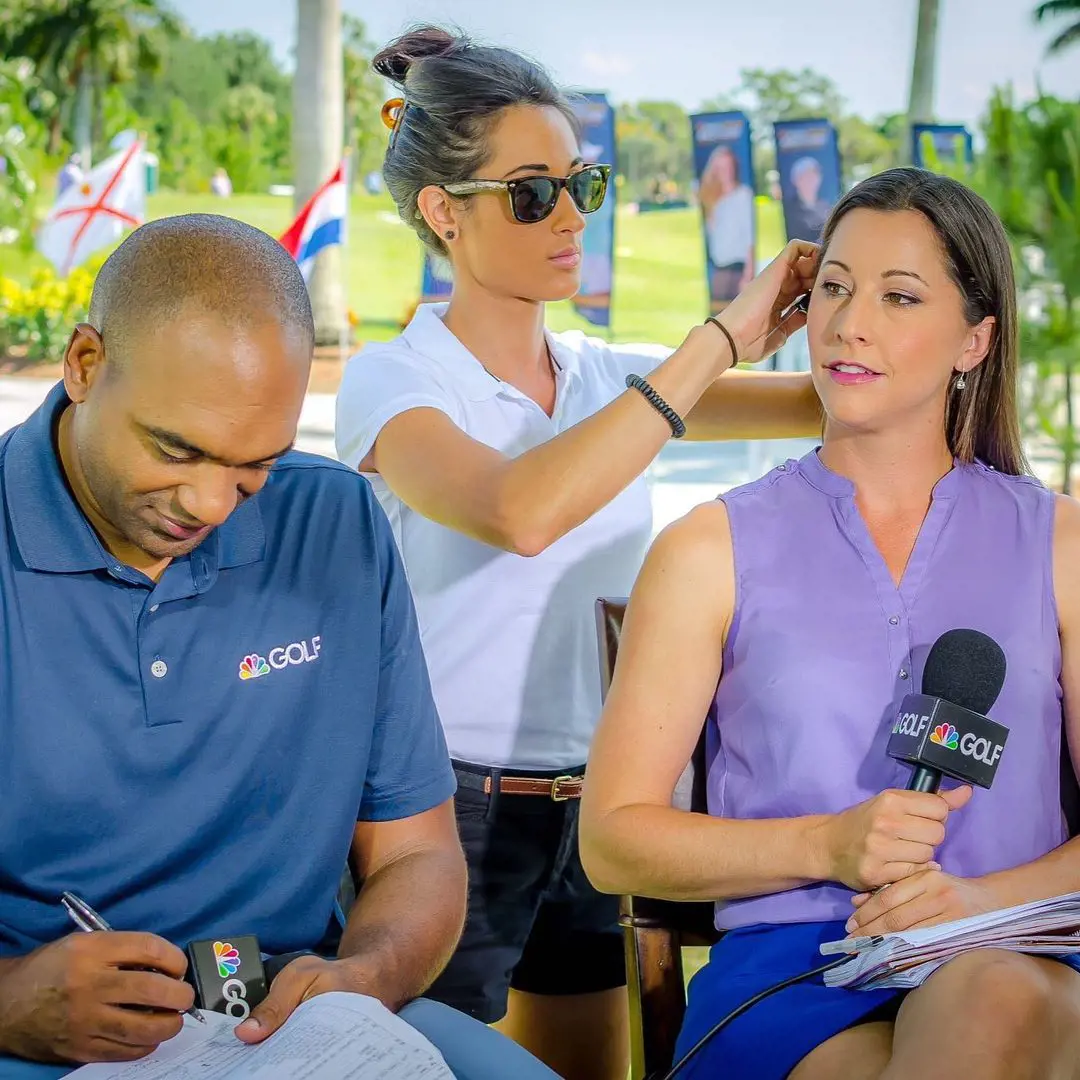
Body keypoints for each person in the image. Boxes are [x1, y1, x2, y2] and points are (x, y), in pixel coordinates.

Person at [334, 26, 821, 1080]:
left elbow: (826, 403)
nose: (566, 218)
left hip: (600, 803)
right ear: (440, 212)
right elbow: (524, 510)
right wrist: (719, 341)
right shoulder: (395, 383)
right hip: (442, 815)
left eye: (579, 185)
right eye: (529, 192)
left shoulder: (607, 378)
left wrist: (866, 293)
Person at [0, 214, 562, 1080]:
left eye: (254, 464)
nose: (212, 503)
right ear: (84, 366)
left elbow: (416, 854)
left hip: (295, 1012)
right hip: (43, 1029)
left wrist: (362, 978)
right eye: (177, 448)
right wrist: (8, 1002)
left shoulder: (335, 524)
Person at [580, 167, 1080, 1079]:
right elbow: (612, 839)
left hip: (1021, 944)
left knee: (988, 996)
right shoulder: (707, 549)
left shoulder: (1062, 541)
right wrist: (825, 844)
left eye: (899, 297)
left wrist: (972, 902)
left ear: (976, 339)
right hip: (797, 972)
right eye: (836, 289)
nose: (850, 323)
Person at [699, 144, 756, 304]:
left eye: (728, 166)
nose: (726, 171)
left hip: (737, 268)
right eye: (721, 167)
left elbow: (748, 236)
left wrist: (748, 273)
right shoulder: (712, 199)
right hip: (717, 267)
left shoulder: (743, 195)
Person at [784, 156, 833, 244]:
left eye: (814, 175)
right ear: (796, 180)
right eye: (807, 176)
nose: (811, 180)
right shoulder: (789, 209)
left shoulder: (826, 207)